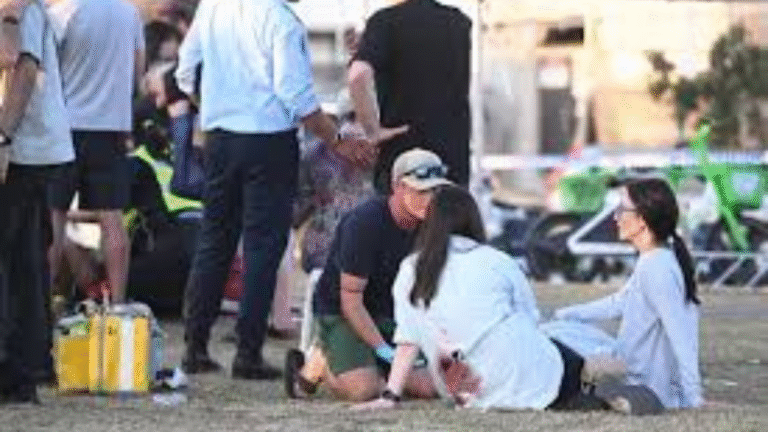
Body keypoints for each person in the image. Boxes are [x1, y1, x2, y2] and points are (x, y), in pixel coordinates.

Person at [175, 0, 402, 379]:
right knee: (263, 246)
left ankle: (195, 347)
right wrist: (336, 139)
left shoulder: (213, 7)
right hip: (268, 141)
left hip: (219, 138)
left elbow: (186, 71)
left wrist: (215, 108)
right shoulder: (282, 21)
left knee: (214, 241)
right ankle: (248, 353)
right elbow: (296, 97)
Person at [356, 185, 608, 411]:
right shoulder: (496, 260)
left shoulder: (411, 268)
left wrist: (390, 396)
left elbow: (407, 340)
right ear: (472, 220)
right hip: (524, 372)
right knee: (569, 356)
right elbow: (530, 320)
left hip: (463, 387)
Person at [285, 148, 450, 401]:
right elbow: (351, 301)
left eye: (436, 191)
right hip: (343, 311)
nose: (430, 198)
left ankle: (367, 359)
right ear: (397, 186)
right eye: (421, 190)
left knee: (429, 389)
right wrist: (384, 350)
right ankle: (320, 356)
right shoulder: (365, 223)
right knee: (365, 391)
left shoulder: (434, 223)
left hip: (392, 312)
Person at [554, 178, 704, 409]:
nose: (615, 217)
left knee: (554, 337)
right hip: (632, 368)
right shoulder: (653, 259)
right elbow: (619, 303)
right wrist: (567, 314)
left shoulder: (658, 267)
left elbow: (681, 336)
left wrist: (693, 398)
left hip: (642, 382)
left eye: (621, 210)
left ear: (642, 219)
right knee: (558, 328)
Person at [0, 0, 75, 403]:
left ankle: (15, 369)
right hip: (32, 147)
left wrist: (3, 138)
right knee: (26, 259)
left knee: (16, 261)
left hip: (21, 148)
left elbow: (20, 66)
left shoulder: (18, 9)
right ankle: (26, 368)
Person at [47, 0, 146, 304]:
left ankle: (42, 302)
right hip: (111, 127)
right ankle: (118, 306)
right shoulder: (128, 12)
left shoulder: (62, 12)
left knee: (54, 218)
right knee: (112, 219)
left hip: (65, 127)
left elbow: (47, 72)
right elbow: (138, 73)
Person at [349, 0, 471, 191]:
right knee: (449, 218)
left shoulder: (385, 21)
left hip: (403, 158)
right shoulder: (459, 22)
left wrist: (372, 130)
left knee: (398, 219)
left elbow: (357, 75)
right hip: (452, 161)